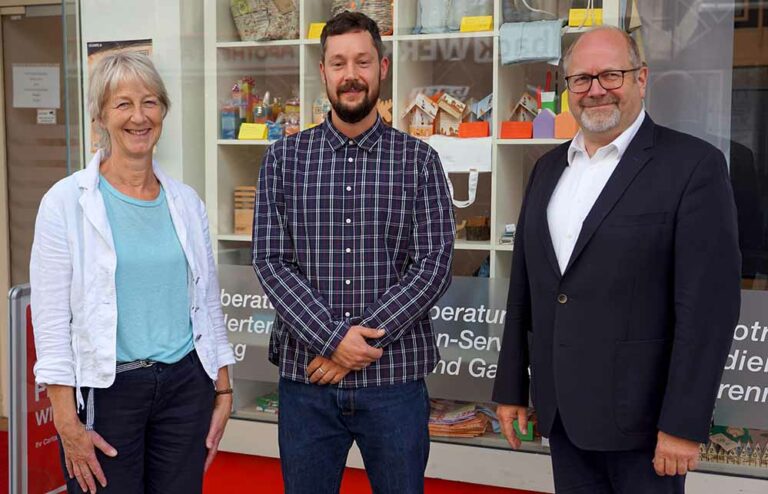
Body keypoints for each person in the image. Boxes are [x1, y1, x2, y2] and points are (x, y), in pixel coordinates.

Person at [492, 26, 741, 494]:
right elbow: (525, 288)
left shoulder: (693, 166)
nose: (596, 90)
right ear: (568, 89)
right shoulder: (547, 170)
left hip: (644, 428)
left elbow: (707, 311)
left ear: (641, 79)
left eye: (611, 75)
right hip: (564, 417)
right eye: (581, 79)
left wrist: (684, 422)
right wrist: (510, 389)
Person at [252, 11, 455, 494]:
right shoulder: (283, 159)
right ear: (322, 72)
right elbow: (270, 261)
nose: (351, 75)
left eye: (362, 61)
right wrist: (332, 338)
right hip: (308, 387)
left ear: (382, 68)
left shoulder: (419, 161)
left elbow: (433, 267)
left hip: (395, 384)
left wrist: (349, 349)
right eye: (339, 63)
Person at [30, 52, 236, 494]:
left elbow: (207, 303)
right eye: (122, 104)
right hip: (110, 389)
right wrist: (67, 424)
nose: (138, 117)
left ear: (163, 111)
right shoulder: (65, 204)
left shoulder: (185, 201)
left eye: (149, 102)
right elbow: (49, 325)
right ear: (101, 115)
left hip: (186, 387)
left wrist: (222, 390)